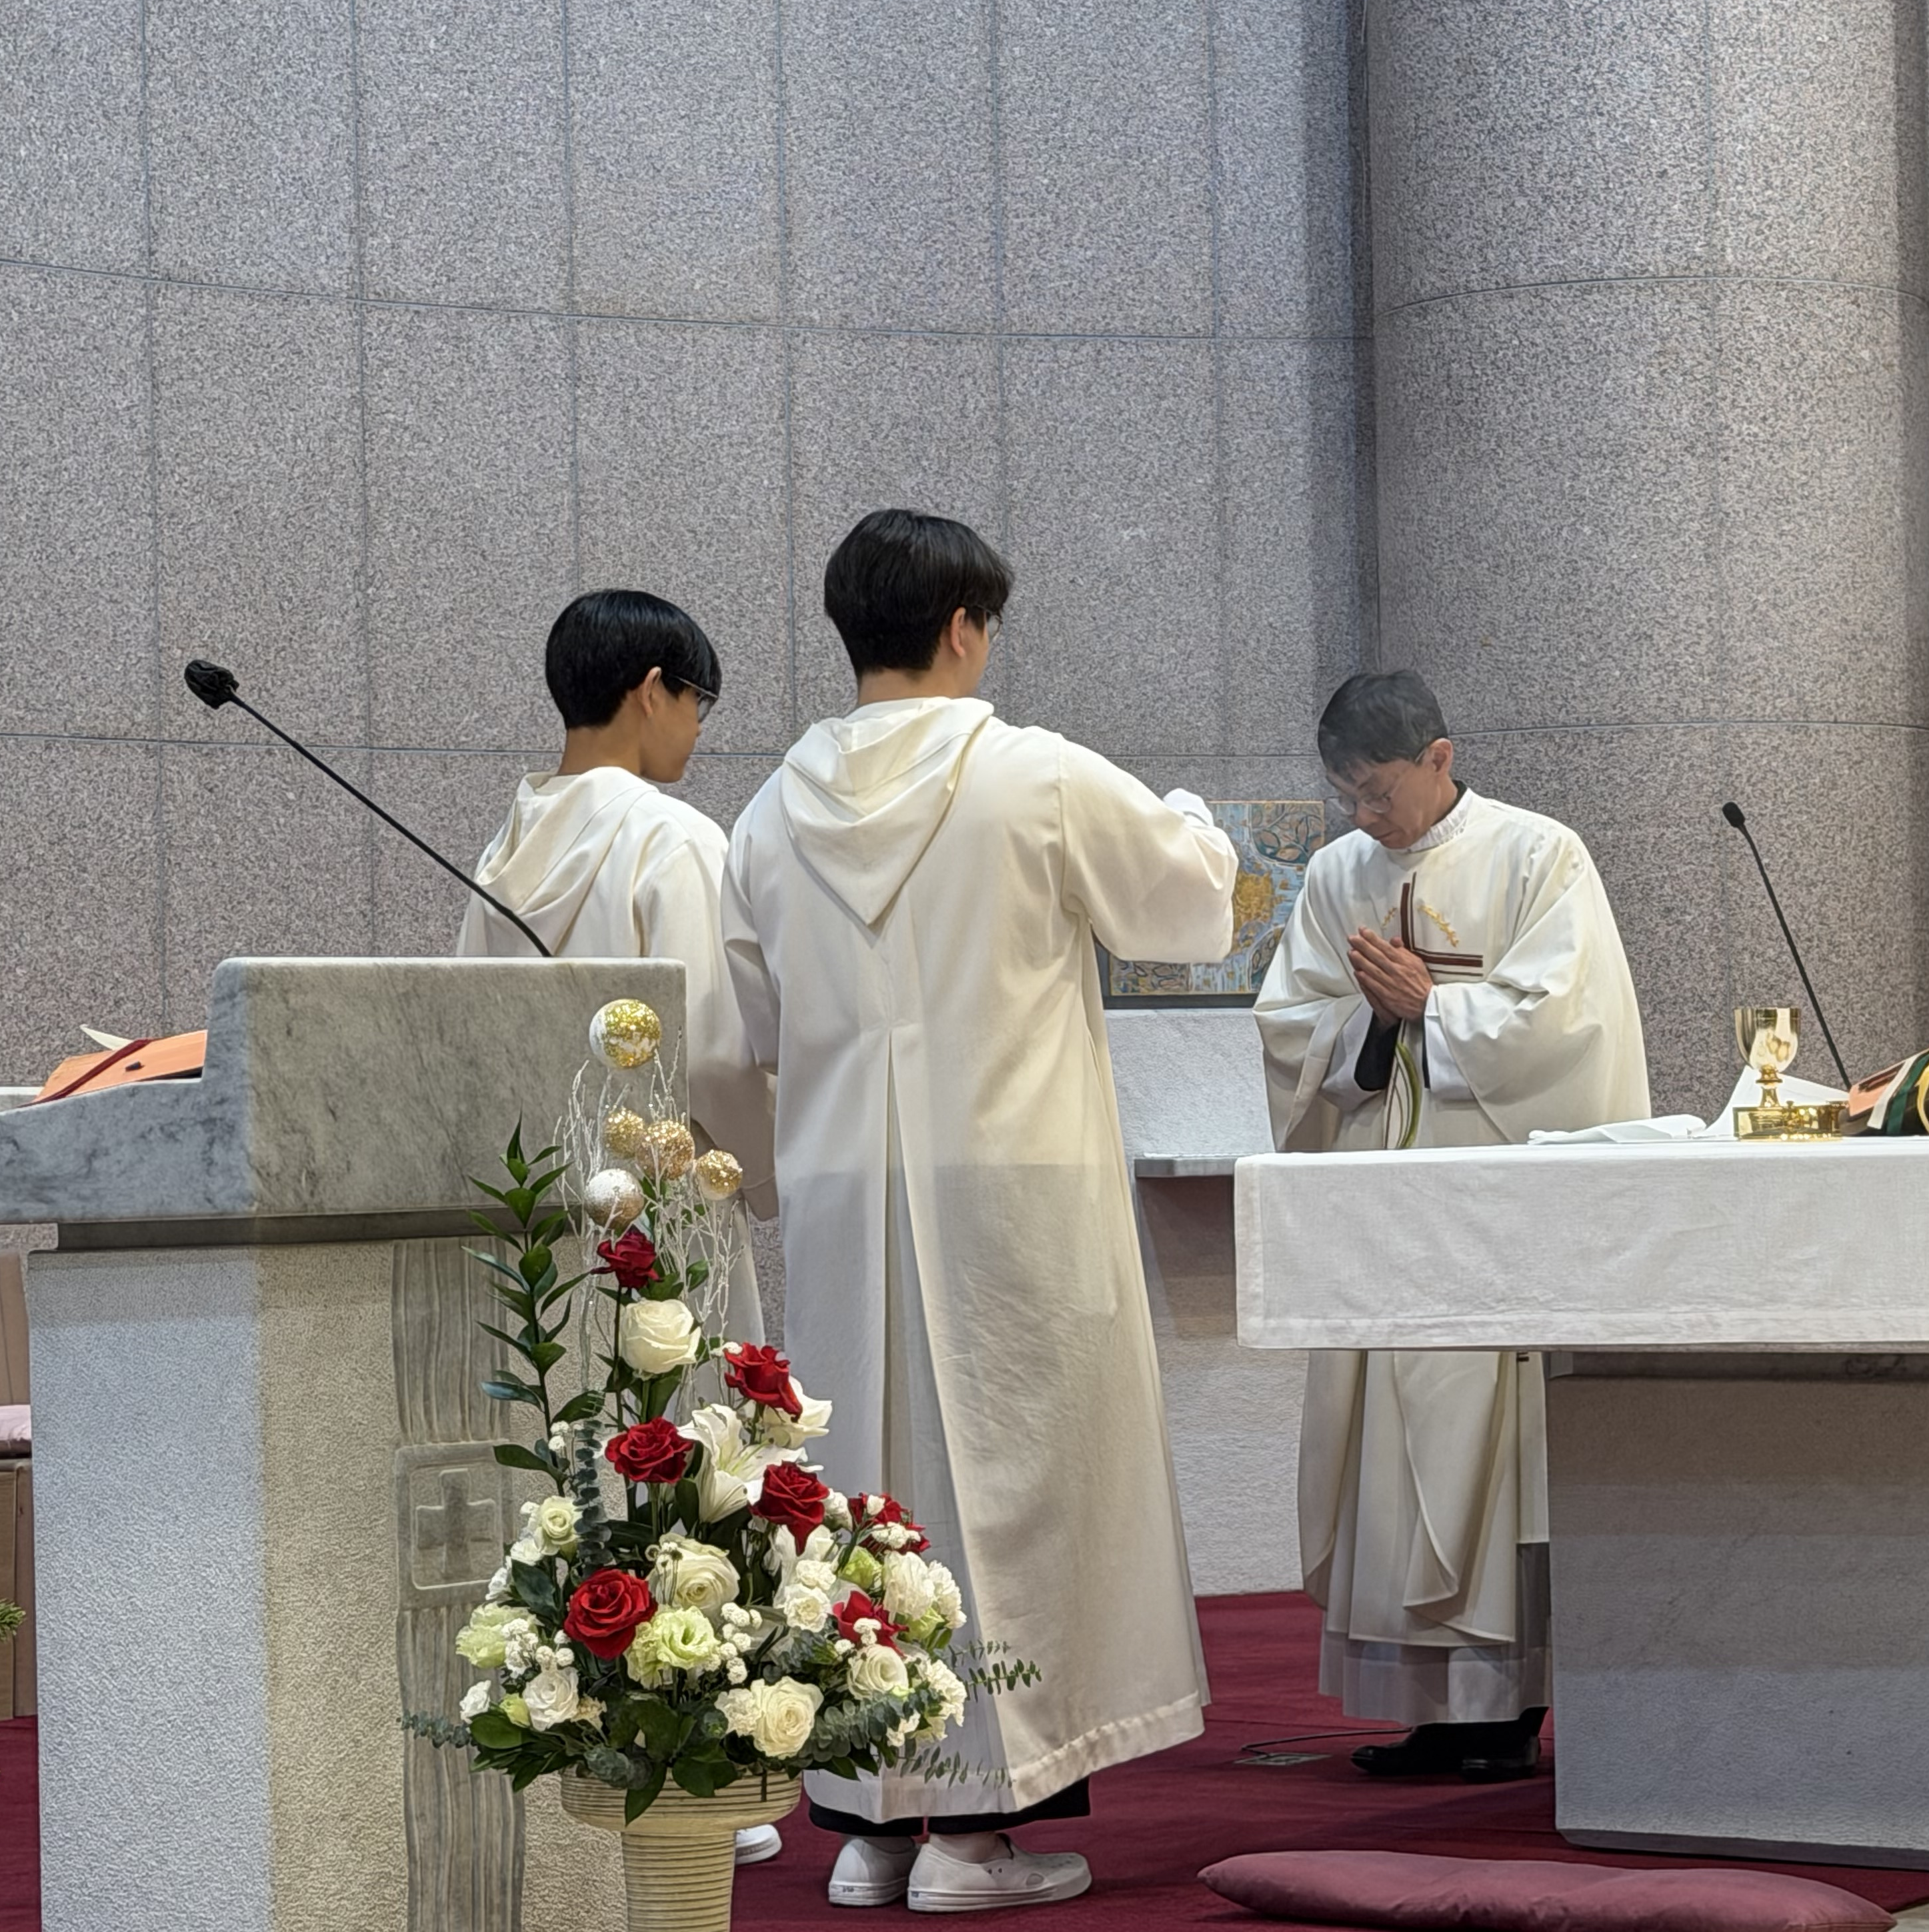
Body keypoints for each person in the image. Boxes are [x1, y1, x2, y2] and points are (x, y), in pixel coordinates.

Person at [721, 508, 1237, 1913]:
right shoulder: (1033, 776)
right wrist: (1193, 818)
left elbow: (751, 1022)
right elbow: (1190, 906)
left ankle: (874, 1826)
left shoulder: (767, 816)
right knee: (1011, 1495)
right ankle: (975, 1839)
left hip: (845, 1200)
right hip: (1013, 1196)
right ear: (963, 626)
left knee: (864, 1502)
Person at [1253, 670, 1650, 1783]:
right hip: (1385, 1211)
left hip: (1494, 1213)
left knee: (1487, 1444)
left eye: (1379, 791)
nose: (1363, 816)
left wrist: (1436, 1006)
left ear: (1439, 758)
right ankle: (1429, 1709)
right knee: (1387, 1447)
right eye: (1347, 795)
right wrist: (1372, 1025)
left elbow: (1570, 1025)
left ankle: (1505, 1710)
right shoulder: (1338, 875)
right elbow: (1292, 1026)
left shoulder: (1538, 855)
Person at [455, 589, 783, 1865]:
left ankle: (587, 1756)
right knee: (685, 1457)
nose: (698, 729)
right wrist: (763, 1175)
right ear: (654, 688)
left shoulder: (506, 844)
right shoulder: (671, 837)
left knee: (577, 1474)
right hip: (663, 1207)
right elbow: (716, 1052)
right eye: (699, 702)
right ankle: (695, 1767)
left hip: (547, 1213)